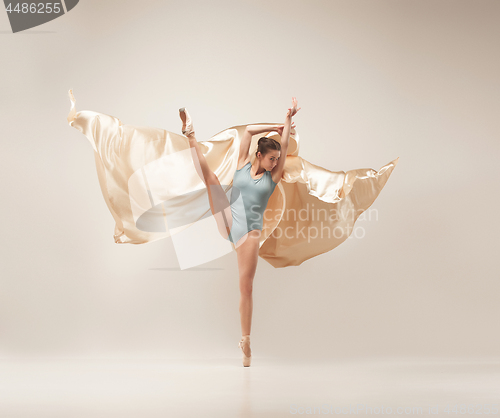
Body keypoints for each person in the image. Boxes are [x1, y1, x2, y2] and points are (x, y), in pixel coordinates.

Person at [179, 98, 301, 367]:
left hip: (249, 236)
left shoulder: (272, 178)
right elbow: (247, 132)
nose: (275, 162)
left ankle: (245, 340)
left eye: (277, 159)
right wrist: (278, 123)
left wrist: (287, 122)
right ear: (259, 155)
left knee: (245, 288)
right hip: (228, 221)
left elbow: (285, 145)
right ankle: (191, 135)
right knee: (210, 179)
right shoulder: (243, 164)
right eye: (271, 158)